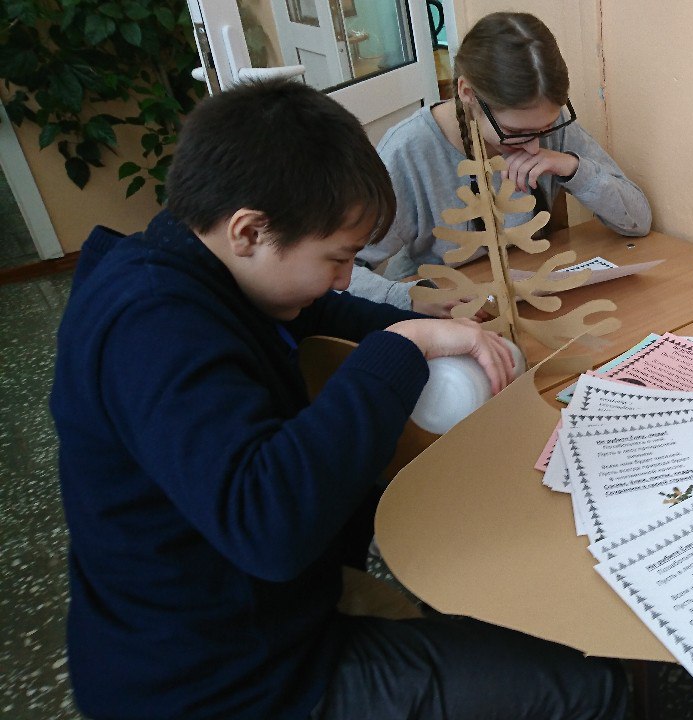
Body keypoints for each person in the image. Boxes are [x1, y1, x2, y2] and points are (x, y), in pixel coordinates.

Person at [49, 78, 632, 720]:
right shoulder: (151, 329)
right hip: (219, 682)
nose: (345, 277)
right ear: (250, 231)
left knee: (479, 597)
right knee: (592, 687)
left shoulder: (198, 263)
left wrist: (424, 328)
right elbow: (269, 526)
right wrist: (402, 349)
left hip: (252, 617)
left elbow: (321, 309)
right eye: (337, 257)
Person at [349, 11, 652, 313]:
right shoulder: (409, 151)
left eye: (546, 128)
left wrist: (572, 167)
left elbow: (637, 220)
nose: (534, 146)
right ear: (467, 93)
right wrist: (411, 297)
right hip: (446, 312)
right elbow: (343, 271)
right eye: (515, 132)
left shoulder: (543, 123)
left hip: (524, 299)